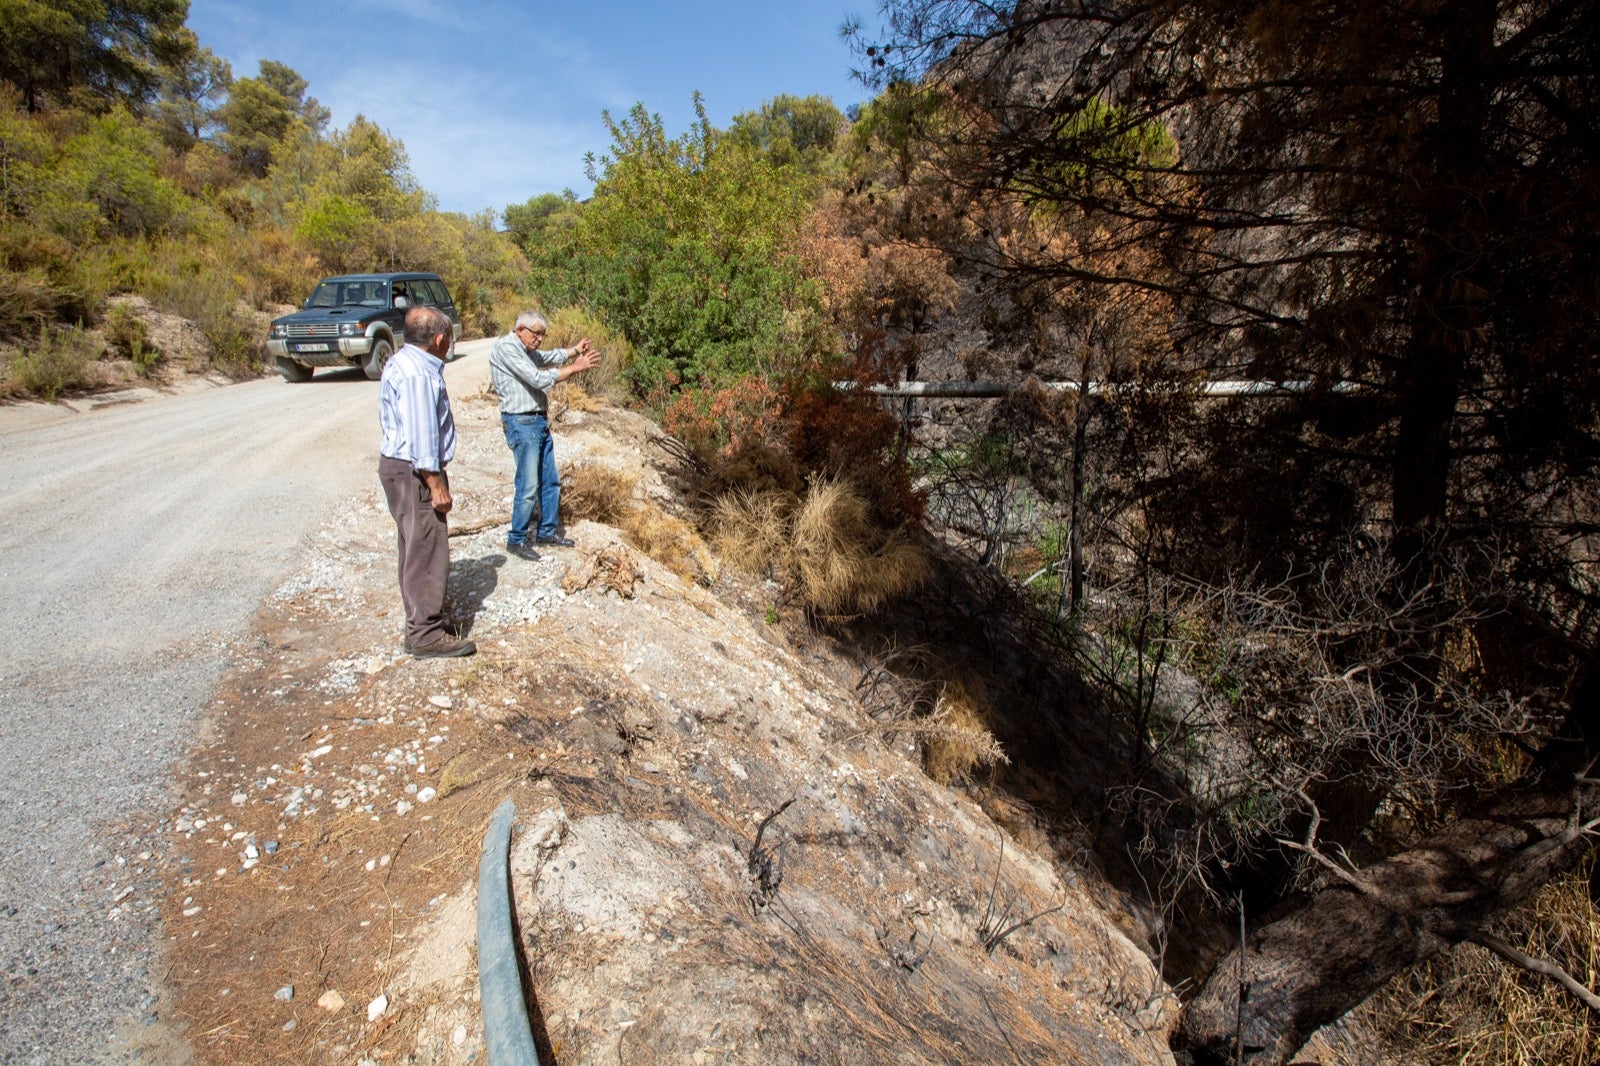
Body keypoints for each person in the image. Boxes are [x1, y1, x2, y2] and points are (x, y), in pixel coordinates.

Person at [377, 305, 476, 658]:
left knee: (413, 547)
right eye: (448, 338)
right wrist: (436, 485)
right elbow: (421, 438)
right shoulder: (419, 374)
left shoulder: (402, 362)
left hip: (401, 468)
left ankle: (420, 624)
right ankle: (425, 636)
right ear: (439, 339)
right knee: (427, 549)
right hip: (414, 471)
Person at [488, 311, 600, 558]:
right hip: (521, 422)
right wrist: (575, 368)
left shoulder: (525, 350)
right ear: (520, 330)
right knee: (528, 484)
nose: (539, 339)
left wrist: (574, 350)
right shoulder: (507, 349)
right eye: (535, 333)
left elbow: (546, 357)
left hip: (537, 421)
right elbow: (538, 378)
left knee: (550, 480)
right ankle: (516, 539)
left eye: (542, 335)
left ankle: (546, 533)